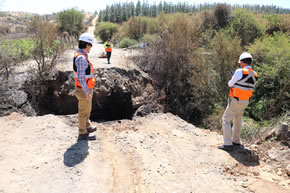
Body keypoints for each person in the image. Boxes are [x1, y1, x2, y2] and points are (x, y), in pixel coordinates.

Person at [218, 52, 258, 151]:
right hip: (246, 101)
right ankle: (236, 141)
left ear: (243, 62)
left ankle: (227, 144)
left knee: (226, 120)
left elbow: (230, 84)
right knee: (238, 120)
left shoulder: (240, 71)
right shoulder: (255, 75)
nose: (240, 64)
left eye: (240, 62)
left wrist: (233, 79)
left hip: (236, 100)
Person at [73, 33, 97, 141]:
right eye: (90, 45)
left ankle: (87, 126)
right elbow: (81, 78)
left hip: (85, 88)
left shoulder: (80, 54)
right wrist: (87, 93)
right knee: (83, 111)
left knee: (88, 109)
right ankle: (82, 133)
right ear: (87, 45)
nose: (91, 48)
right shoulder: (81, 58)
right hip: (83, 90)